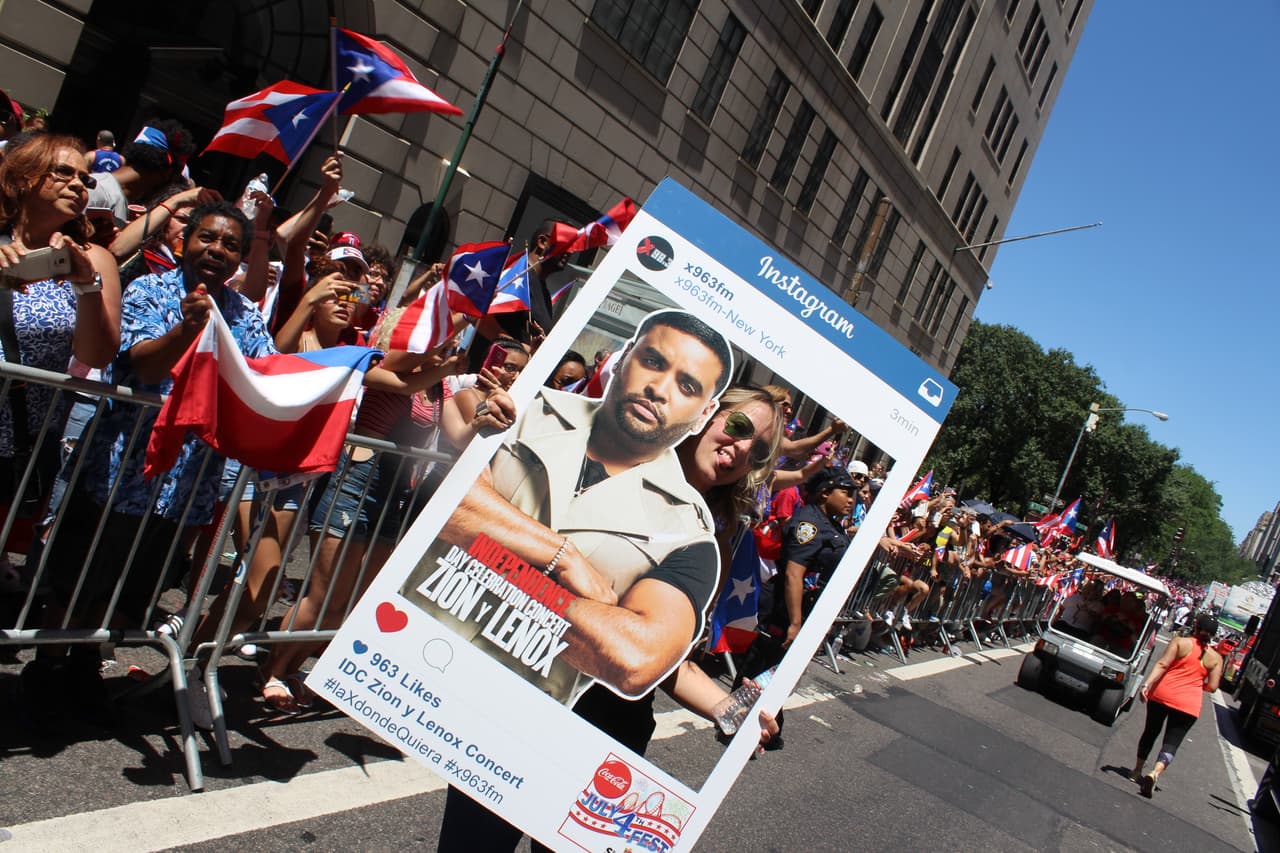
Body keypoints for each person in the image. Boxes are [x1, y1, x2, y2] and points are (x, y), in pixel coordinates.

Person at [435, 382, 783, 853]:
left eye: (758, 449)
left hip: (608, 728)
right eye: (739, 427)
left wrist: (730, 710)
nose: (741, 447)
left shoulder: (712, 533)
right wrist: (484, 420)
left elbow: (659, 654)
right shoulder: (585, 450)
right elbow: (467, 490)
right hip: (523, 703)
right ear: (706, 413)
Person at [402, 308, 733, 705]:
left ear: (705, 414)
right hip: (403, 656)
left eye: (688, 386)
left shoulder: (688, 532)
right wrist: (563, 559)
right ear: (624, 356)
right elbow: (445, 502)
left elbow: (634, 658)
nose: (659, 389)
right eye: (652, 361)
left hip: (507, 719)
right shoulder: (522, 408)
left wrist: (496, 552)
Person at [0, 133, 122, 523]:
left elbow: (96, 355)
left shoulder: (95, 259)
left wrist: (86, 285)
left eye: (85, 180)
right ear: (23, 178)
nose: (77, 185)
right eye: (64, 172)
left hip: (19, 438)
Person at [1132, 612, 1223, 798]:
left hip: (1163, 694)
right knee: (1172, 742)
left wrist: (1147, 684)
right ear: (1213, 635)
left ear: (1196, 627)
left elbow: (1163, 664)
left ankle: (1137, 771)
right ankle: (1155, 772)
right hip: (1189, 703)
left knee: (1151, 731)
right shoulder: (1216, 658)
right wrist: (1196, 685)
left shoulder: (1180, 642)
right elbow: (1213, 687)